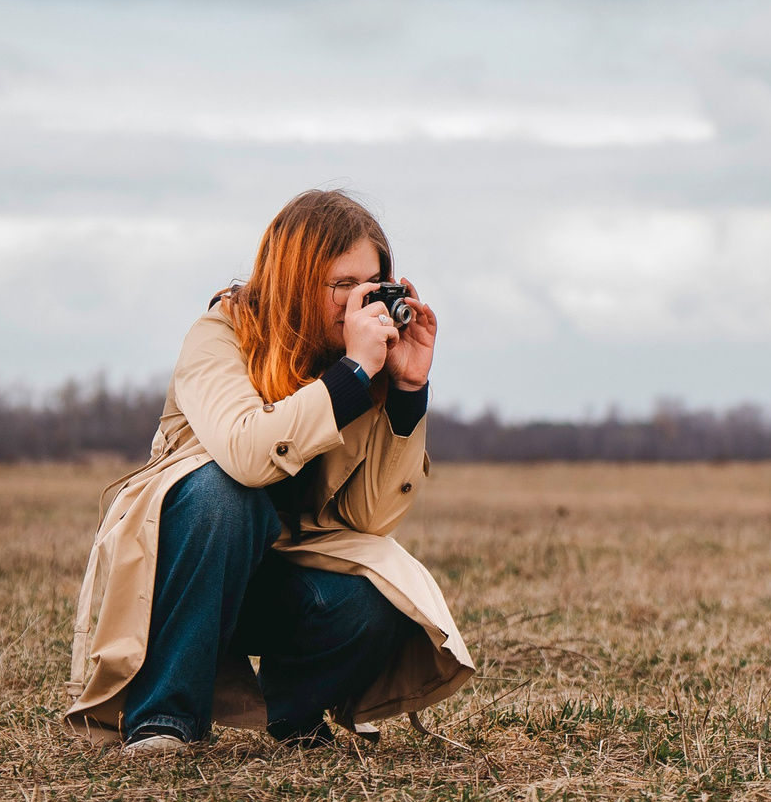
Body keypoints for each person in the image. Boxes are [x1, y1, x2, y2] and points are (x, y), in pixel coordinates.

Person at [67, 190, 475, 755]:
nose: (361, 303)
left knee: (380, 599)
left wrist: (406, 393)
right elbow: (246, 454)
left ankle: (291, 715)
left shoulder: (360, 364)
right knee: (223, 494)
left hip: (281, 573)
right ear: (294, 277)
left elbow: (370, 519)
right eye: (343, 286)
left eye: (374, 284)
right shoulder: (220, 334)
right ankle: (163, 719)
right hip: (191, 566)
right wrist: (350, 377)